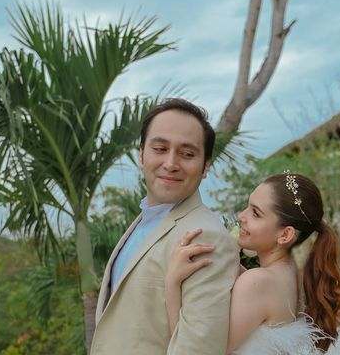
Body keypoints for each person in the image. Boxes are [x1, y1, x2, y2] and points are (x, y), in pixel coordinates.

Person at [91, 98, 239, 355]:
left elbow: (198, 349)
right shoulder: (146, 219)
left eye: (187, 154)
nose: (171, 163)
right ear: (141, 155)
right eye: (160, 148)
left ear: (206, 167)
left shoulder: (206, 237)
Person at [165, 171, 340, 354]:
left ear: (285, 235)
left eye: (255, 213)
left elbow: (196, 350)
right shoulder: (290, 273)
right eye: (247, 207)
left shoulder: (258, 281)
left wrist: (172, 281)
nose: (241, 217)